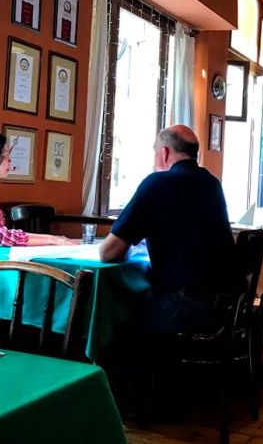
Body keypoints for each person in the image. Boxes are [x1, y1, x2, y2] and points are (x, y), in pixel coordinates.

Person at [99, 124, 240, 334]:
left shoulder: (157, 184)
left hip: (183, 307)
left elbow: (107, 253)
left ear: (164, 153)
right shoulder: (212, 184)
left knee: (114, 318)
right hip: (224, 307)